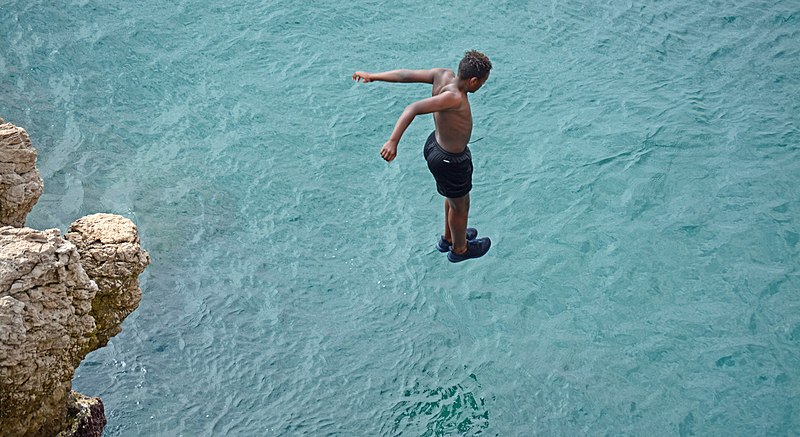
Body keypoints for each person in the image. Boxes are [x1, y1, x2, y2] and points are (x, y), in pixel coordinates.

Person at [353, 50, 492, 262]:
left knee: (453, 198)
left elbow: (405, 75)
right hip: (450, 159)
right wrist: (393, 141)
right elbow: (413, 108)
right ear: (473, 80)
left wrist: (374, 75)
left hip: (435, 146)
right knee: (460, 205)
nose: (481, 85)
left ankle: (448, 238)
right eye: (482, 82)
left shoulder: (443, 74)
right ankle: (460, 249)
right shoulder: (453, 98)